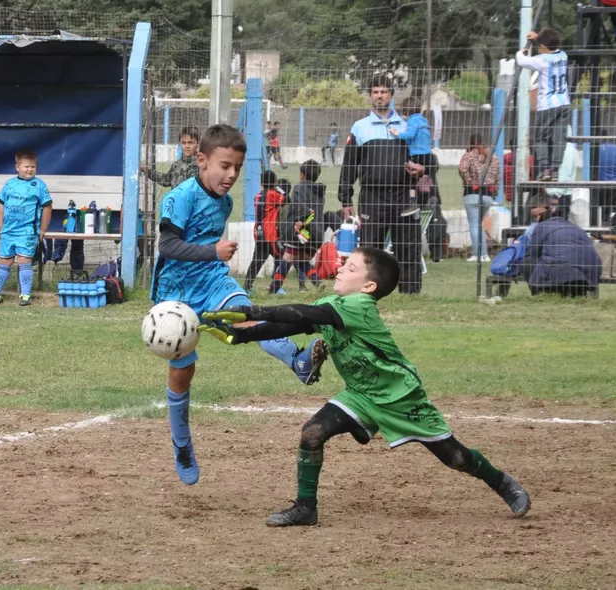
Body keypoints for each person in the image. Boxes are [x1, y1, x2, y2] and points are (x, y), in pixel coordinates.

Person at [198, 246, 532, 527]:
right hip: (361, 394)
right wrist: (242, 335)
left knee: (456, 458)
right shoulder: (334, 306)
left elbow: (300, 311)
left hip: (400, 397)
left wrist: (253, 311)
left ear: (369, 286)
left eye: (351, 266)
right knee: (312, 433)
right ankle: (305, 508)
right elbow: (291, 322)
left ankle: (500, 482)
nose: (340, 267)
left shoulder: (358, 306)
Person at [150, 124, 324, 487]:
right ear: (201, 160)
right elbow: (168, 246)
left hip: (212, 281)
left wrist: (213, 259)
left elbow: (208, 246)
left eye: (237, 169)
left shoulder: (225, 201)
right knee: (183, 373)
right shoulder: (179, 198)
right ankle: (182, 444)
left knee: (247, 317)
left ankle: (299, 360)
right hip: (174, 294)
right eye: (224, 166)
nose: (231, 175)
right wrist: (211, 251)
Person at [338, 76, 426, 294]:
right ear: (370, 96)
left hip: (404, 196)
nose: (379, 95)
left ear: (392, 95)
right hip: (372, 197)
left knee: (408, 248)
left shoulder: (408, 125)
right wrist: (345, 198)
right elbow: (349, 165)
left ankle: (410, 293)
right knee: (371, 251)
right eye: (375, 91)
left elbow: (426, 158)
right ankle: (371, 294)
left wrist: (423, 169)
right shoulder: (359, 128)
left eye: (384, 91)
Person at [0, 150, 52, 307]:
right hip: (8, 231)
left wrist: (42, 229)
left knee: (24, 260)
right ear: (17, 167)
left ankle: (25, 295)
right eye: (26, 166)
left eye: (33, 166)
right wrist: (0, 226)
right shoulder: (10, 184)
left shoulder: (39, 185)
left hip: (27, 232)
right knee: (5, 261)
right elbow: (1, 205)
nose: (30, 169)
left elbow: (47, 207)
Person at [516, 28, 570, 182]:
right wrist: (538, 37)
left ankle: (545, 168)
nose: (539, 47)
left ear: (545, 47)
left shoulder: (541, 60)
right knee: (560, 138)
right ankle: (554, 170)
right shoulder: (563, 56)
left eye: (540, 45)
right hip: (564, 103)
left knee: (541, 138)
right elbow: (549, 43)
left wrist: (522, 51)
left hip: (547, 105)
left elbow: (521, 61)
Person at [522, 193, 602, 297]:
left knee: (527, 260)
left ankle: (540, 293)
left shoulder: (541, 227)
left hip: (563, 269)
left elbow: (532, 253)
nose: (536, 220)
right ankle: (574, 291)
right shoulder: (575, 227)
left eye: (536, 216)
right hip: (591, 272)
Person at [273, 160, 327, 293]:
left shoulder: (299, 188)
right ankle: (317, 281)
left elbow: (300, 207)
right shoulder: (320, 192)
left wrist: (299, 222)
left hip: (300, 230)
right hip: (316, 233)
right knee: (301, 259)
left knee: (288, 258)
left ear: (302, 175)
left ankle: (273, 289)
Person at [458, 134, 501, 262]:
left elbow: (462, 169)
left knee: (474, 225)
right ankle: (485, 255)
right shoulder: (494, 158)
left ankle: (477, 254)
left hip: (472, 193)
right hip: (488, 195)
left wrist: (470, 182)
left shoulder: (469, 155)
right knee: (479, 225)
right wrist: (495, 192)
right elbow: (498, 178)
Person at [242, 169, 281, 292]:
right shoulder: (273, 195)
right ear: (275, 182)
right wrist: (279, 188)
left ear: (261, 182)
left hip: (258, 232)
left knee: (257, 261)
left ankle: (247, 286)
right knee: (281, 258)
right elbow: (285, 199)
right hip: (270, 233)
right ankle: (276, 287)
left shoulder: (257, 196)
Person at [596, 130, 616, 227]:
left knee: (603, 201)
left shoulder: (596, 148)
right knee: (614, 202)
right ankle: (614, 218)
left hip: (603, 181)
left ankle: (605, 219)